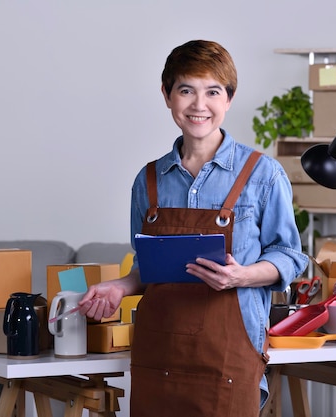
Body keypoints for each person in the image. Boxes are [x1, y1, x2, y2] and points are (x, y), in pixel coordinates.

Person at [78, 40, 309, 416]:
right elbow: (148, 267)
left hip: (228, 359)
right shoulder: (149, 180)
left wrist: (242, 275)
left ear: (229, 99)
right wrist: (119, 287)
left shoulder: (262, 174)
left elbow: (290, 256)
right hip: (159, 355)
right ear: (168, 96)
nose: (199, 105)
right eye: (186, 90)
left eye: (213, 92)